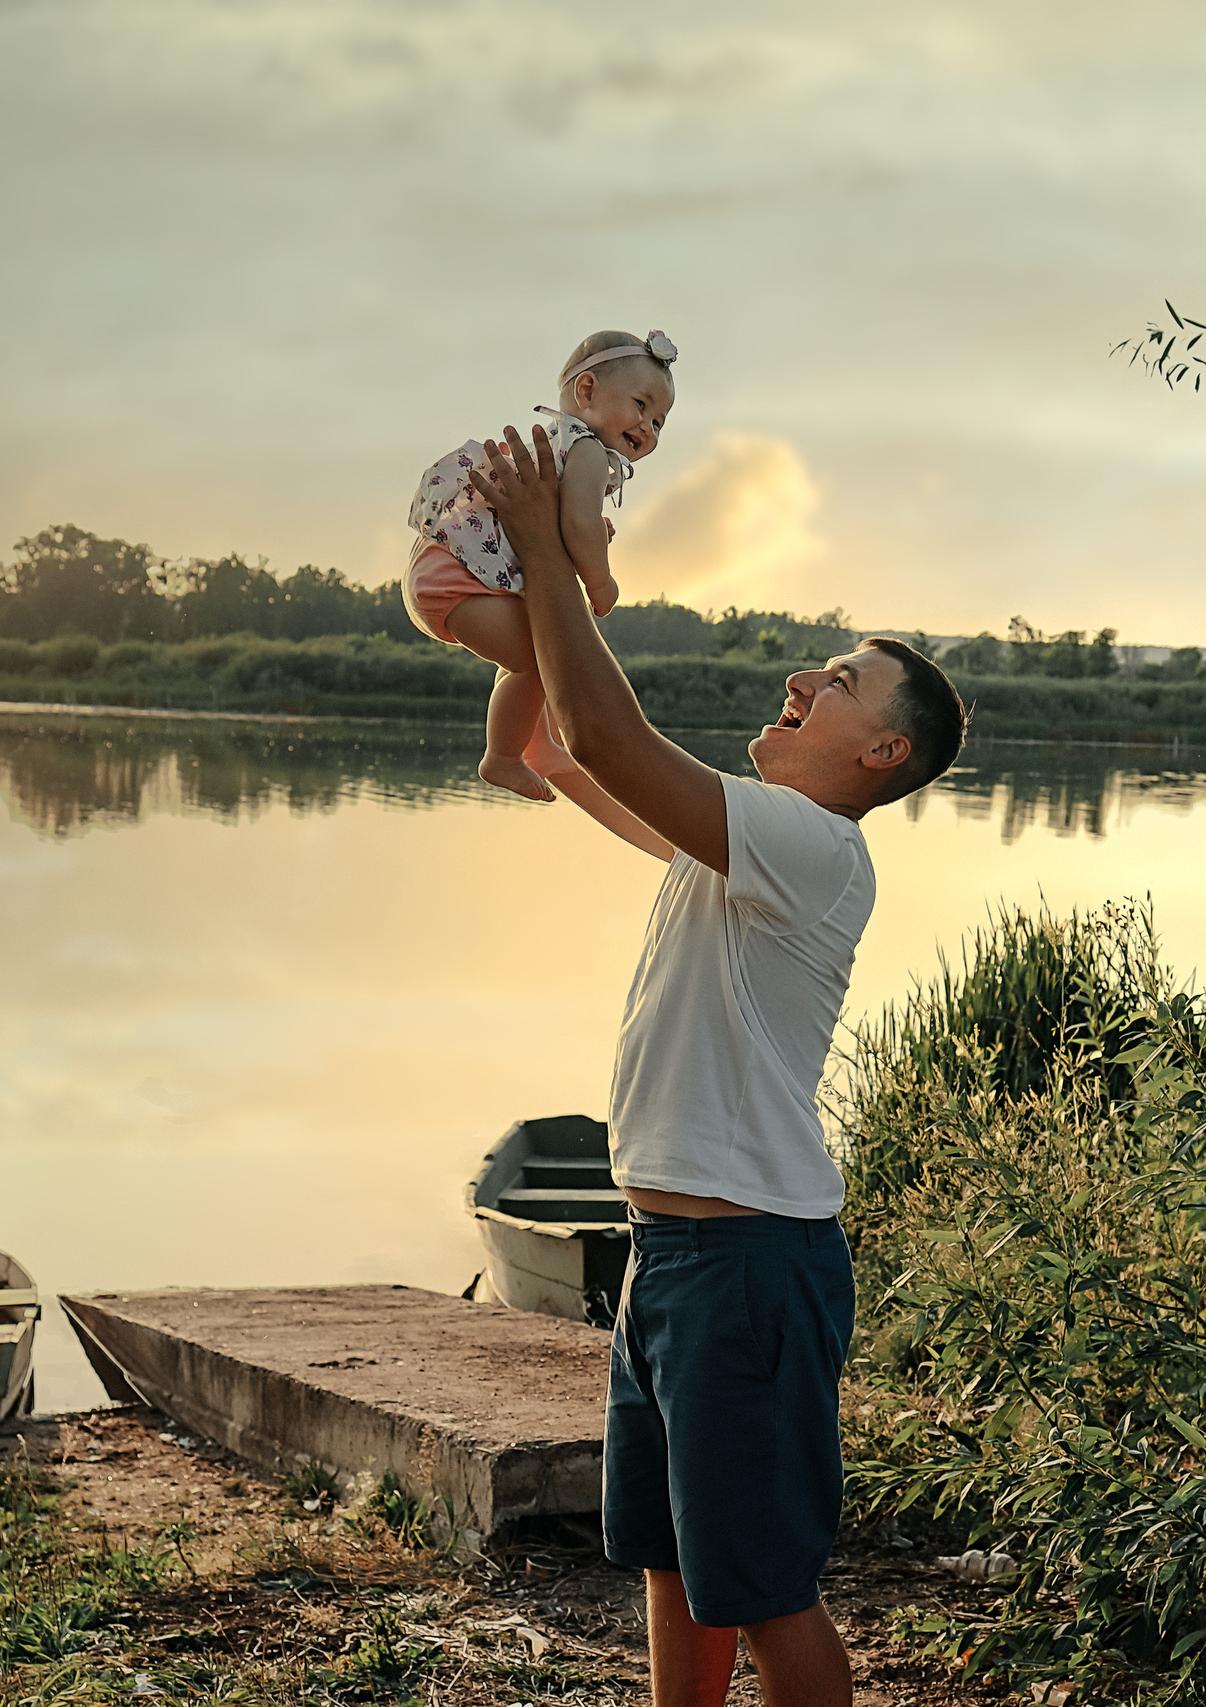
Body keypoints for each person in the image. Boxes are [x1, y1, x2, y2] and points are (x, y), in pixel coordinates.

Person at [465, 423, 968, 1707]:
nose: (808, 674)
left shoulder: (810, 848)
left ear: (881, 756)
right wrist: (508, 606)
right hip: (672, 1261)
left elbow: (615, 739)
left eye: (844, 680)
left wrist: (547, 547)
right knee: (677, 1564)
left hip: (748, 1270)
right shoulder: (735, 848)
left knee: (763, 1588)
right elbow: (577, 753)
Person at [403, 329, 677, 804]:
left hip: (446, 566)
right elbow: (578, 522)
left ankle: (535, 741)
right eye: (641, 406)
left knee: (537, 649)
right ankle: (503, 757)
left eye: (660, 421)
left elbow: (557, 527)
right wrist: (601, 579)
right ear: (587, 390)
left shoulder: (563, 443)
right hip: (460, 578)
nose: (649, 428)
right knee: (540, 659)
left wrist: (581, 539)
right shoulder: (587, 450)